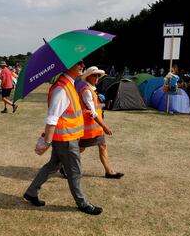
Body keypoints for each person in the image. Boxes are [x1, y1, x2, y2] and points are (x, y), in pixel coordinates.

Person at [23, 60, 103, 215]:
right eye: (78, 63)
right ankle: (83, 203)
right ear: (67, 66)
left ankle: (31, 192)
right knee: (75, 171)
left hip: (67, 137)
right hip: (66, 139)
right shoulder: (62, 89)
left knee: (52, 166)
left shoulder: (69, 85)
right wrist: (46, 141)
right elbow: (52, 118)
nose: (82, 66)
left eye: (83, 63)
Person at [60, 66, 124, 179]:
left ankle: (109, 171)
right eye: (95, 75)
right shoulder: (87, 91)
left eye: (98, 75)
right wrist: (105, 126)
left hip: (95, 127)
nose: (97, 77)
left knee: (102, 145)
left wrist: (104, 104)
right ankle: (65, 166)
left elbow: (95, 108)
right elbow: (93, 113)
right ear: (88, 77)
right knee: (81, 148)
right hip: (89, 126)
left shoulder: (92, 90)